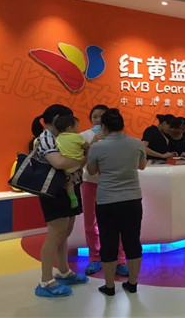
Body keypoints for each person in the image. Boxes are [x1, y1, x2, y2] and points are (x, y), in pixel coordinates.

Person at [87, 109, 147, 296]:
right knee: (132, 241)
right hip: (132, 200)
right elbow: (142, 166)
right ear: (122, 125)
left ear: (103, 127)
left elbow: (91, 171)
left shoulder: (97, 147)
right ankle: (133, 283)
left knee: (108, 243)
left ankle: (110, 286)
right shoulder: (136, 143)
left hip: (106, 201)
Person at [31, 104, 89, 298]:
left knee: (65, 232)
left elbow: (73, 162)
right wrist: (80, 158)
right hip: (54, 190)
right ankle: (46, 280)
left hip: (70, 186)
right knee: (55, 233)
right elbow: (59, 163)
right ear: (57, 118)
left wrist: (78, 160)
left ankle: (64, 271)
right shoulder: (46, 138)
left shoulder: (63, 137)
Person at [79, 105, 129, 276]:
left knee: (116, 222)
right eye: (94, 116)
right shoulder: (83, 136)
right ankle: (94, 258)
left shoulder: (119, 137)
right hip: (90, 182)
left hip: (112, 184)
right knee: (90, 222)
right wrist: (92, 144)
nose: (98, 120)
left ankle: (120, 259)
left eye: (101, 116)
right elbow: (79, 160)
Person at [55, 116, 89, 209]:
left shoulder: (57, 138)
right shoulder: (77, 136)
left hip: (65, 166)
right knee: (79, 175)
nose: (78, 129)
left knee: (68, 183)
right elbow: (86, 145)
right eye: (77, 126)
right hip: (78, 162)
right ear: (70, 128)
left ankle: (72, 197)